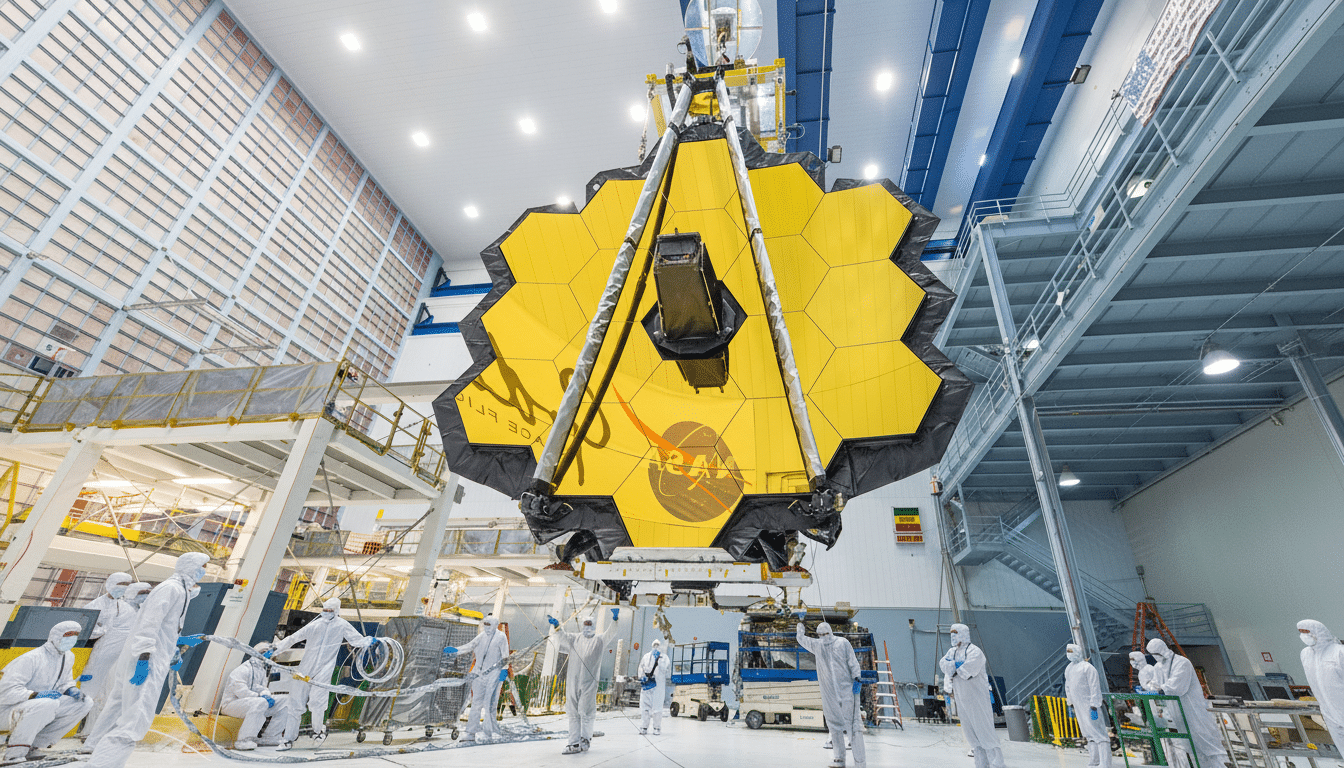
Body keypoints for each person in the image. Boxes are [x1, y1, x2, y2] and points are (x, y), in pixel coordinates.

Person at [85, 552, 209, 768]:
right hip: (144, 662)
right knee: (135, 717)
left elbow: (164, 628)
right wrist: (144, 658)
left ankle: (92, 747)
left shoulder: (178, 590)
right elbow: (148, 625)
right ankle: (102, 764)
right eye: (203, 566)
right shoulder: (172, 589)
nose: (204, 571)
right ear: (191, 566)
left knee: (115, 707)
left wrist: (175, 648)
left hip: (141, 658)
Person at [269, 597, 372, 749]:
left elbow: (356, 640)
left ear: (336, 611)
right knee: (296, 702)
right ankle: (288, 739)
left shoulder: (342, 625)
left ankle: (318, 731)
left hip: (325, 668)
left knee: (318, 702)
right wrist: (275, 649)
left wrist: (370, 641)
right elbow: (294, 638)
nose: (326, 613)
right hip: (305, 668)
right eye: (324, 610)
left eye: (330, 611)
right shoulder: (315, 625)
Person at [0, 621, 93, 764]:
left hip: (39, 708)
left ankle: (34, 746)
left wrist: (70, 689)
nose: (72, 639)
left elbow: (64, 682)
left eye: (75, 635)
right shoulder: (31, 658)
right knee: (47, 704)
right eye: (68, 635)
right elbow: (5, 692)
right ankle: (14, 754)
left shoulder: (68, 657)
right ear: (55, 636)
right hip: (7, 710)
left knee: (84, 703)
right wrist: (35, 695)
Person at [547, 608, 621, 754]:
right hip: (573, 681)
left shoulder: (599, 640)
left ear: (593, 624)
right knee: (573, 711)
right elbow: (562, 637)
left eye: (589, 623)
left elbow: (611, 633)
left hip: (589, 683)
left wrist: (615, 619)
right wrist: (557, 626)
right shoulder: (575, 638)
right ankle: (574, 743)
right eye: (585, 623)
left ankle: (585, 739)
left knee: (586, 712)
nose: (587, 626)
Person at [1146, 638, 1225, 768]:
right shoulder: (1158, 667)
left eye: (1156, 654)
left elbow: (1177, 688)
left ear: (1163, 650)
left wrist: (1159, 688)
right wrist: (1149, 686)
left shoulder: (1182, 663)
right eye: (1152, 655)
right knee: (1190, 749)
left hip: (1192, 712)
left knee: (1205, 747)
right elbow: (1154, 684)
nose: (1155, 657)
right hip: (1176, 715)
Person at [797, 620, 865, 768]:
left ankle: (860, 762)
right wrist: (800, 629)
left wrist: (857, 676)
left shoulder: (842, 643)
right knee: (834, 727)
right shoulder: (818, 645)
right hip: (829, 695)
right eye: (820, 635)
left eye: (825, 634)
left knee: (853, 726)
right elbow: (802, 640)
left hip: (846, 690)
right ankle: (839, 758)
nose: (823, 637)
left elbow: (852, 661)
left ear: (830, 632)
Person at [939, 623, 1004, 768]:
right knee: (972, 736)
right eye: (951, 634)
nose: (953, 637)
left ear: (963, 634)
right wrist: (956, 666)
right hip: (961, 699)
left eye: (955, 634)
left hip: (977, 699)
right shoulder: (952, 652)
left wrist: (953, 667)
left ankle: (997, 765)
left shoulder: (975, 651)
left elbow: (966, 671)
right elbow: (943, 664)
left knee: (985, 733)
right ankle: (981, 765)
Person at [79, 573, 137, 730]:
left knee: (109, 691)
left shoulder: (126, 608)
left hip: (119, 656)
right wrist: (102, 630)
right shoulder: (94, 605)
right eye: (120, 583)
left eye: (126, 584)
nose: (123, 587)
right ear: (110, 583)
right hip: (101, 653)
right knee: (90, 689)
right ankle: (79, 727)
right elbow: (84, 628)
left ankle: (96, 729)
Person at [443, 614, 509, 742]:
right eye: (485, 624)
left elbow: (505, 656)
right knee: (476, 703)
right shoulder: (482, 636)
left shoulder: (501, 637)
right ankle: (470, 732)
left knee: (490, 704)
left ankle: (488, 732)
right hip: (479, 673)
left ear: (495, 625)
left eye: (489, 625)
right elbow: (470, 646)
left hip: (493, 674)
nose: (486, 627)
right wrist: (455, 651)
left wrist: (503, 671)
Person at [1297, 620, 1344, 752]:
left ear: (1318, 631)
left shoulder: (1339, 652)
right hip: (1329, 713)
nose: (1304, 636)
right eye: (1301, 633)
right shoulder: (1305, 654)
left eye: (1307, 632)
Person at [1064, 644, 1111, 768]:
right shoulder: (1069, 668)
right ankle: (1094, 761)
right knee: (1088, 734)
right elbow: (1068, 686)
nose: (1069, 654)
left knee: (1099, 735)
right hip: (1078, 707)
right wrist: (1070, 703)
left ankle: (1105, 763)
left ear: (1078, 652)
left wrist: (1094, 705)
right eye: (1067, 651)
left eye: (1071, 651)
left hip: (1089, 706)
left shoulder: (1088, 668)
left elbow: (1095, 688)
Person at [638, 638, 669, 736]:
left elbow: (665, 669)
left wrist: (659, 661)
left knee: (657, 709)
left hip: (658, 687)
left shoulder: (664, 658)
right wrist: (641, 677)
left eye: (657, 645)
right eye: (654, 645)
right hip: (647, 686)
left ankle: (657, 728)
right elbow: (641, 667)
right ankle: (644, 727)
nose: (656, 647)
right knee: (645, 708)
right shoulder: (646, 656)